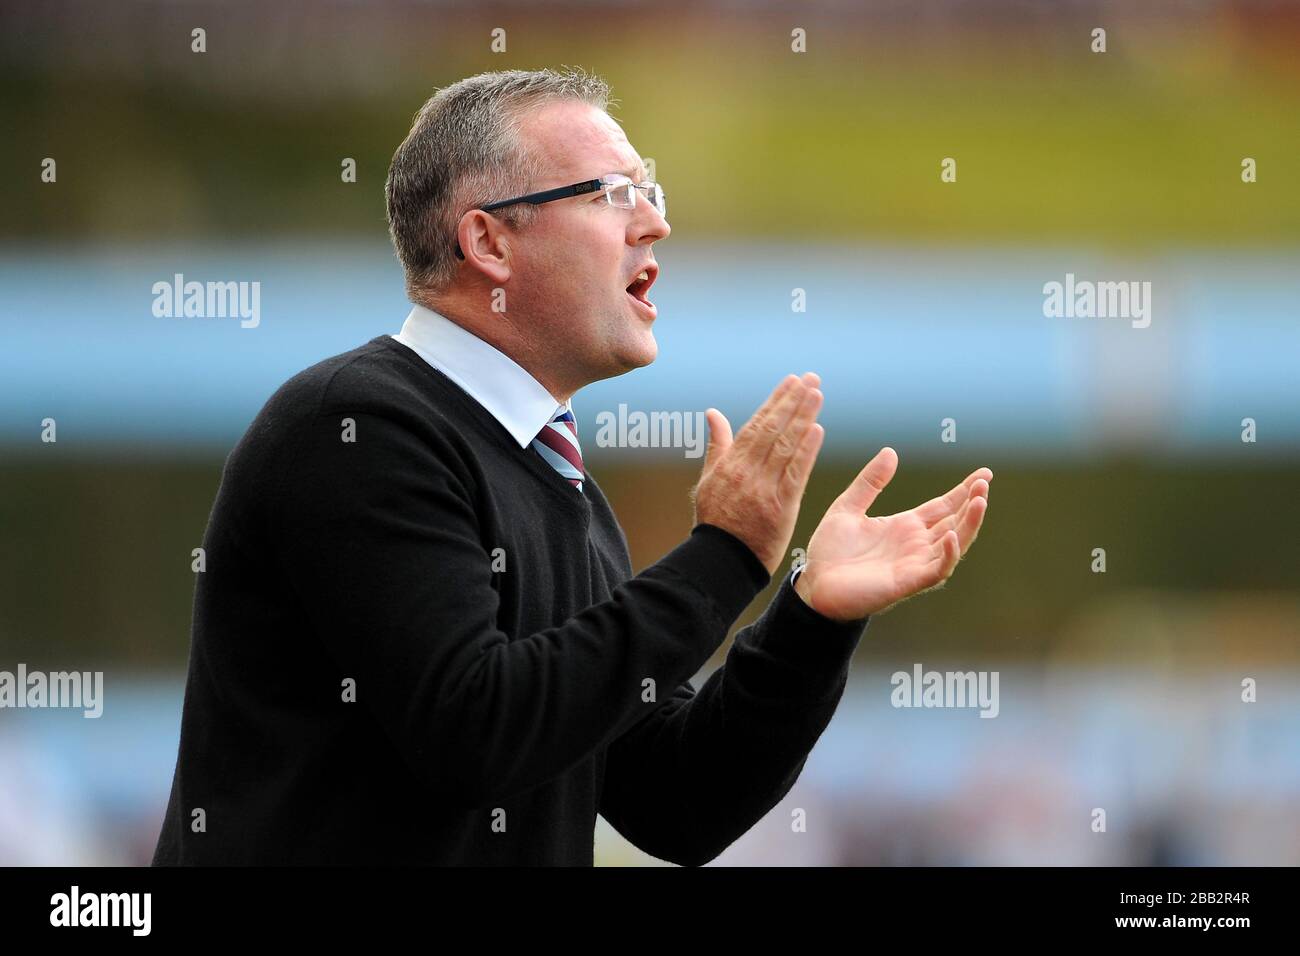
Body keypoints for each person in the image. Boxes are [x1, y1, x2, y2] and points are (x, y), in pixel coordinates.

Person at [152, 68, 991, 866]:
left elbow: (675, 802)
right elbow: (475, 729)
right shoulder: (356, 426)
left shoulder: (557, 480)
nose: (654, 224)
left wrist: (811, 619)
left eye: (652, 194)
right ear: (488, 241)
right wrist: (724, 556)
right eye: (616, 194)